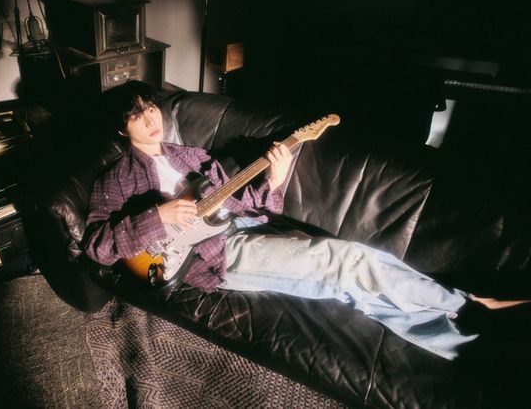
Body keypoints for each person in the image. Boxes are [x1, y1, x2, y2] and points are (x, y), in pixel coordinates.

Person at [83, 80, 528, 361]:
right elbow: (98, 246)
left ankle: (464, 345)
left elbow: (241, 204)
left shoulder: (192, 156)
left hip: (242, 229)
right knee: (347, 260)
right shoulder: (116, 178)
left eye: (151, 108)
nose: (150, 119)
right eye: (136, 116)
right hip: (213, 257)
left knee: (347, 287)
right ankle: (468, 305)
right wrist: (157, 216)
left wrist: (273, 182)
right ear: (123, 129)